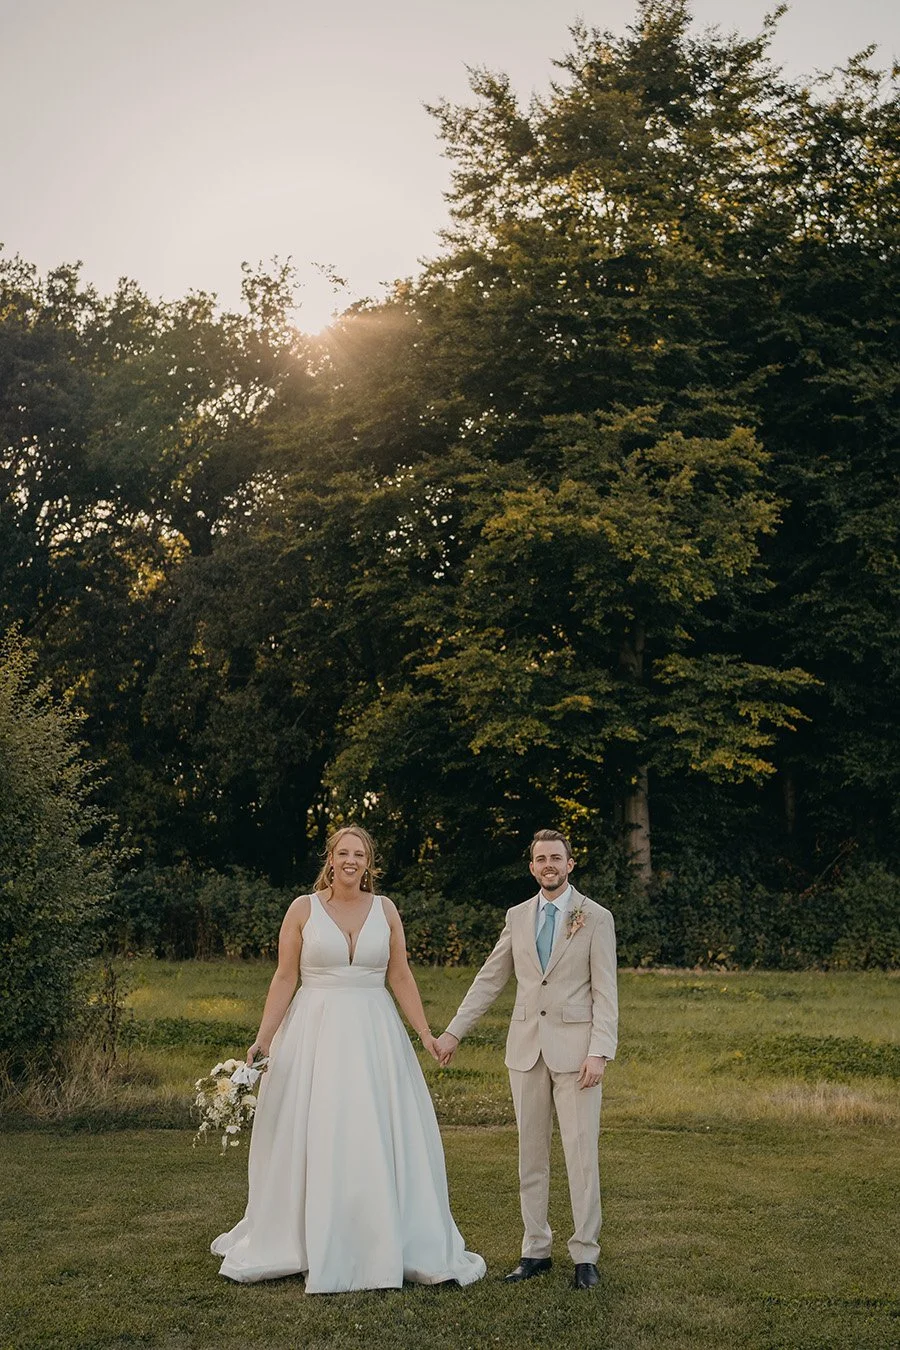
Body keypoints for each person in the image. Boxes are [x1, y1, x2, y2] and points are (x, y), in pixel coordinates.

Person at [211, 825, 485, 1294]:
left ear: (368, 862)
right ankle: (305, 1235)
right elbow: (284, 977)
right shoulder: (303, 909)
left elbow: (399, 974)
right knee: (317, 1127)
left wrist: (425, 1034)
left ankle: (380, 1235)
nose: (352, 861)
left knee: (373, 1128)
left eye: (360, 854)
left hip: (376, 1034)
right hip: (314, 1033)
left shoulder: (387, 910)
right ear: (331, 858)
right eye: (344, 853)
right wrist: (263, 1038)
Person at [435, 829, 617, 1290]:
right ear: (532, 867)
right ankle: (535, 1249)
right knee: (530, 1156)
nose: (549, 864)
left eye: (557, 857)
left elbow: (605, 993)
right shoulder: (517, 916)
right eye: (541, 859)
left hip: (577, 1056)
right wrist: (455, 1030)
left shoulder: (595, 917)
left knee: (581, 1156)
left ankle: (585, 1256)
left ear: (570, 864)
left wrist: (599, 1051)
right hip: (525, 1051)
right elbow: (490, 978)